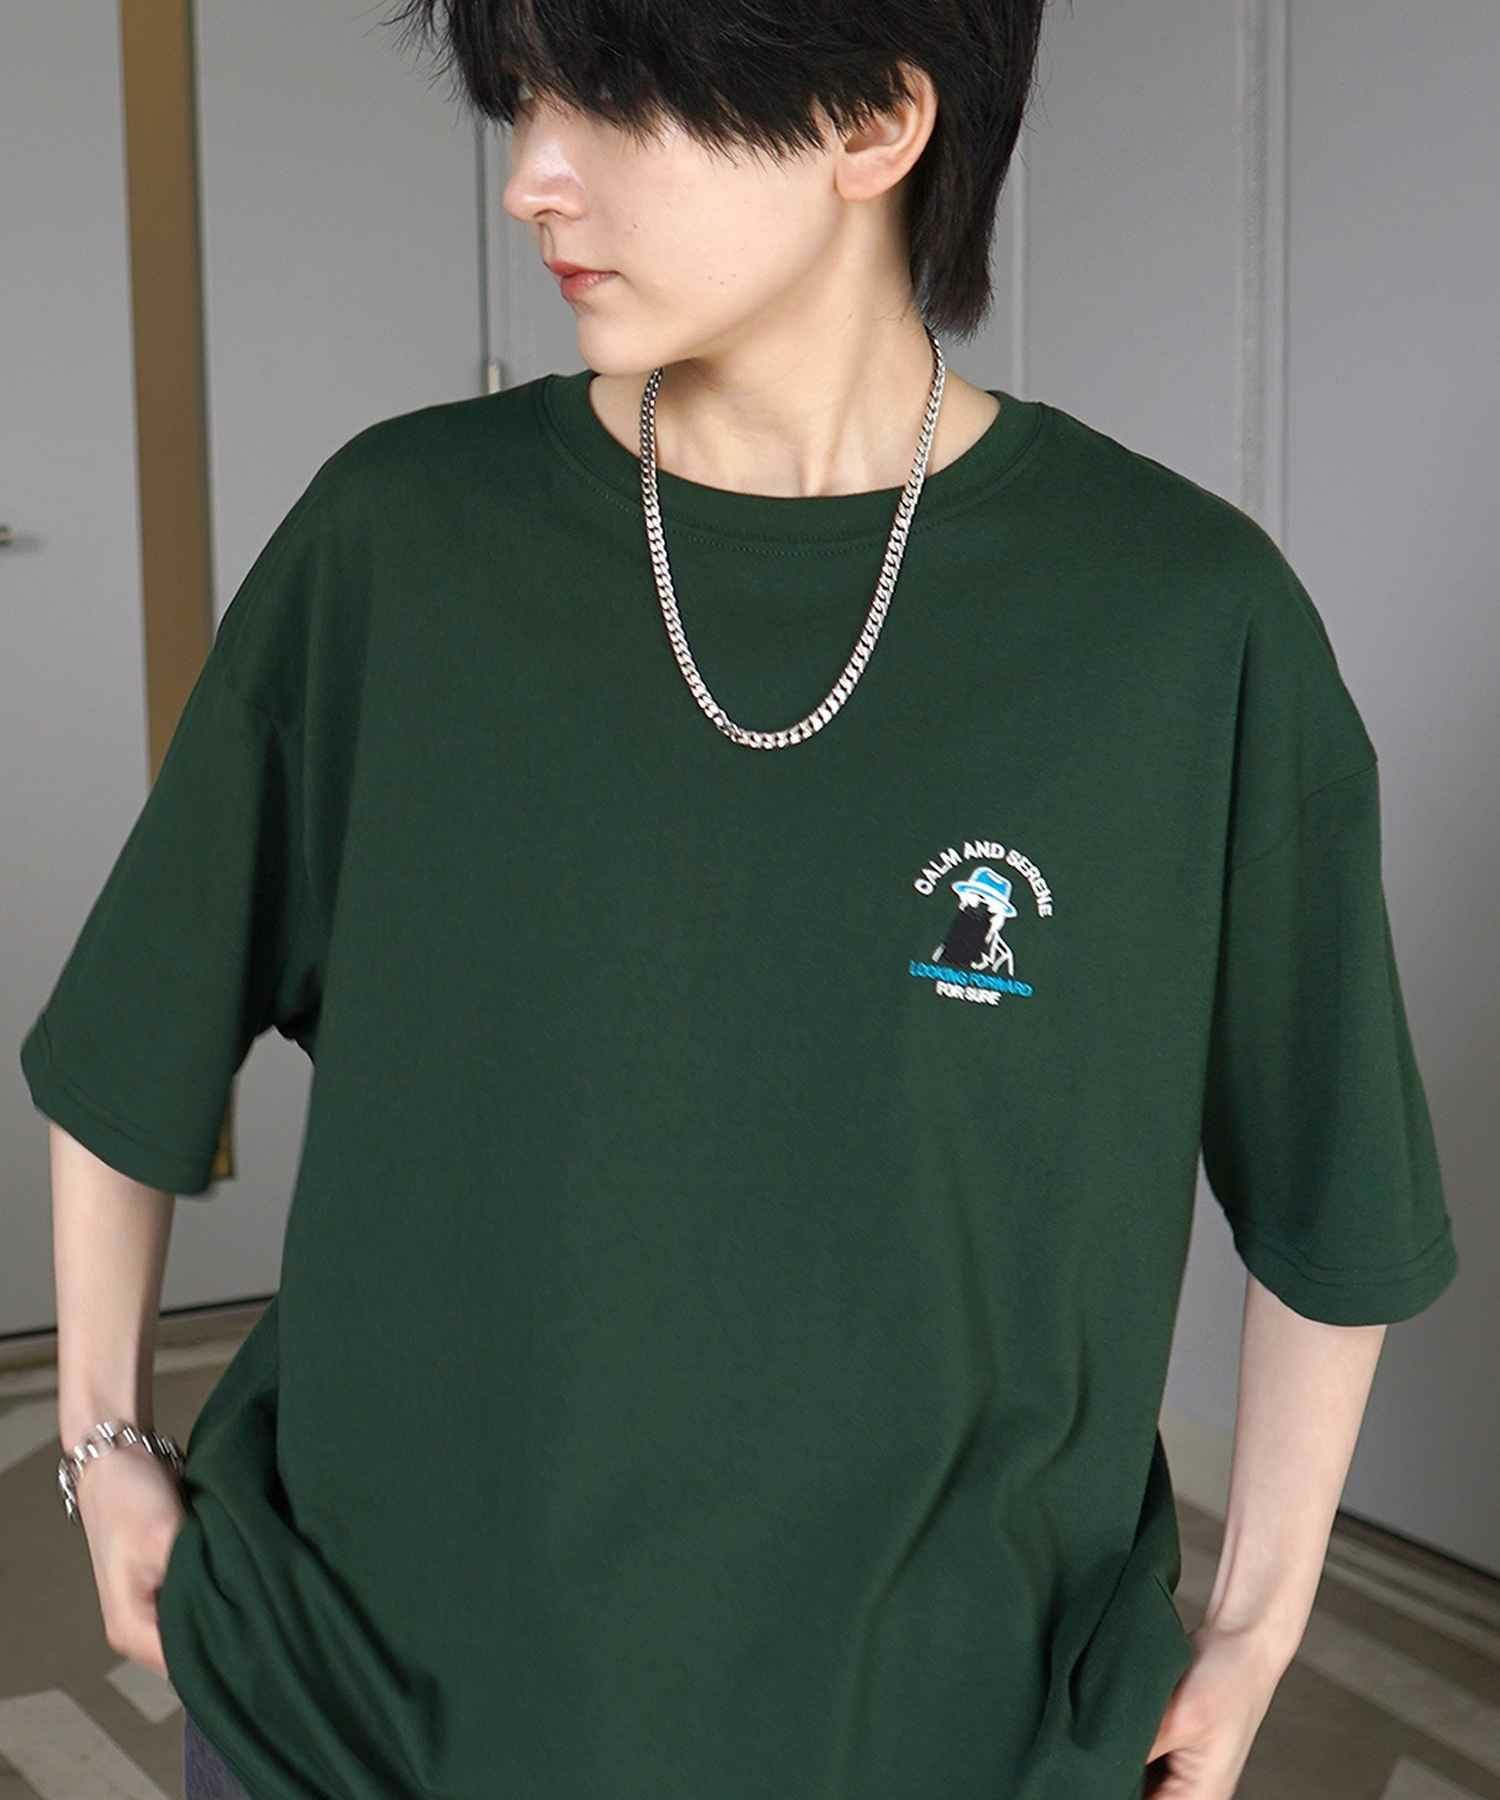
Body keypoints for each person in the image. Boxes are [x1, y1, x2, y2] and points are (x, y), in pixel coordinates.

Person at [22, 2, 1460, 1797]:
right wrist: (101, 1437)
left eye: (615, 101)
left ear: (873, 120)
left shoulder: (1182, 627)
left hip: (942, 1741)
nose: (533, 178)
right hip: (357, 1716)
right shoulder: (397, 543)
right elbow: (132, 1032)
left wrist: (1255, 1626)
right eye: (524, 96)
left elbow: (1338, 1196)